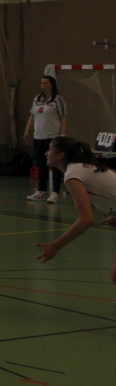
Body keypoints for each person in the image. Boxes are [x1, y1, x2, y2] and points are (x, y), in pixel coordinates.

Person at [34, 136, 116, 285]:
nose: (46, 153)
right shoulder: (82, 168)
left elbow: (86, 220)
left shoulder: (73, 173)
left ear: (61, 155)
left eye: (50, 149)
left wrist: (56, 245)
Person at [25, 75, 68, 203]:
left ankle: (55, 193)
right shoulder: (37, 99)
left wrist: (62, 135)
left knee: (55, 164)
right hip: (38, 136)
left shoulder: (58, 100)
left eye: (45, 83)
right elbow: (32, 115)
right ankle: (41, 191)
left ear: (52, 85)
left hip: (52, 136)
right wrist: (27, 130)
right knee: (41, 164)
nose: (43, 85)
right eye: (41, 83)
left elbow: (63, 117)